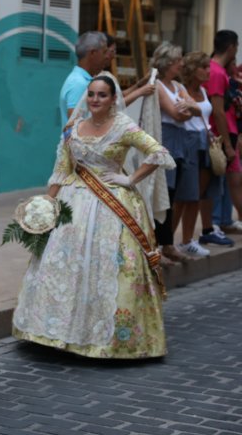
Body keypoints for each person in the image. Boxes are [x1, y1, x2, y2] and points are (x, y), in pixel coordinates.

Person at [14, 76, 174, 358]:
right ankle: (57, 332)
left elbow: (159, 153)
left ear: (114, 99)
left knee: (107, 267)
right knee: (64, 265)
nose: (95, 100)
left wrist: (130, 179)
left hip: (112, 205)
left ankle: (109, 339)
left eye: (102, 95)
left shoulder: (124, 126)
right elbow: (62, 170)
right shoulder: (72, 129)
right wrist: (47, 204)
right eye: (91, 94)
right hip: (72, 204)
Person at [153, 42, 202, 262]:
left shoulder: (176, 85)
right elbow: (175, 112)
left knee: (174, 194)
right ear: (168, 63)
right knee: (166, 194)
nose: (181, 64)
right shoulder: (158, 85)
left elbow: (196, 108)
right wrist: (187, 109)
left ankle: (167, 243)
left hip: (180, 141)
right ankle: (162, 243)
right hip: (168, 140)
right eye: (177, 60)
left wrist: (187, 109)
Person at [180, 51, 233, 249]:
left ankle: (200, 233)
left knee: (204, 191)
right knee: (190, 194)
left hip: (205, 141)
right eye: (203, 67)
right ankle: (185, 239)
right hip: (190, 143)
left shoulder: (202, 91)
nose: (208, 71)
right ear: (193, 70)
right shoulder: (182, 90)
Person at [207, 30, 242, 234]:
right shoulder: (216, 72)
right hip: (220, 134)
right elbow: (218, 111)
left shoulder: (219, 71)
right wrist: (227, 143)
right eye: (236, 47)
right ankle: (213, 223)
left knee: (229, 180)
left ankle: (221, 220)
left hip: (228, 132)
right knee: (221, 181)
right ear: (230, 48)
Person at [60, 31, 108, 127]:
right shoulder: (79, 83)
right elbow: (75, 126)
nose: (106, 57)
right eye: (104, 52)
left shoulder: (82, 80)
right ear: (93, 53)